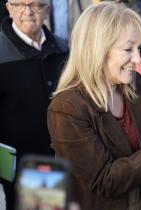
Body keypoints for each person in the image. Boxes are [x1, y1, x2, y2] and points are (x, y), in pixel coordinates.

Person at [47, 2, 141, 210]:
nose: (137, 58)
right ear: (97, 49)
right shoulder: (67, 108)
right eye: (128, 49)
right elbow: (105, 180)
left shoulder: (134, 83)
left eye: (138, 47)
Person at [0, 0, 68, 209]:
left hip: (63, 157)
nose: (27, 12)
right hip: (21, 163)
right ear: (8, 7)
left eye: (36, 5)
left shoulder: (62, 47)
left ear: (48, 8)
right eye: (19, 4)